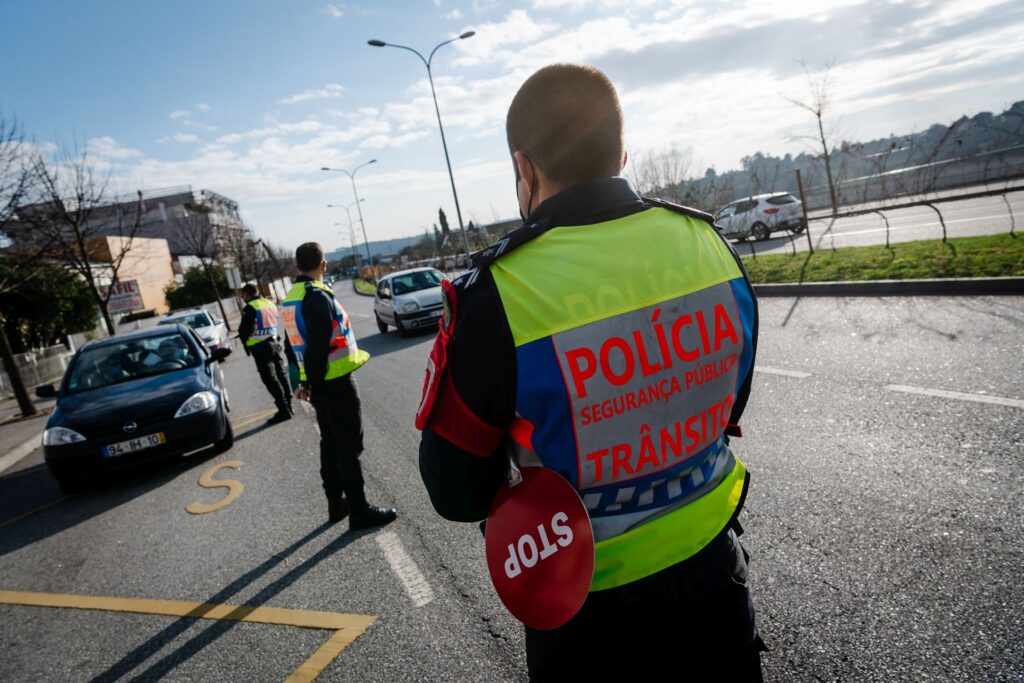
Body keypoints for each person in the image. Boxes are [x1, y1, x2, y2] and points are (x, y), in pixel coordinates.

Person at [416, 64, 763, 680]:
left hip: (586, 617)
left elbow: (455, 492)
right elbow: (729, 403)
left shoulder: (499, 294)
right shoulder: (709, 245)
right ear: (622, 151)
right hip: (716, 583)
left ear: (523, 168)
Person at [282, 243, 397, 529]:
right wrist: (312, 382)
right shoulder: (316, 296)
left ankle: (336, 504)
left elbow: (291, 345)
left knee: (330, 443)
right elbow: (318, 346)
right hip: (334, 382)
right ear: (323, 265)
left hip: (320, 384)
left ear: (298, 266)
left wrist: (302, 382)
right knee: (348, 447)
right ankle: (359, 510)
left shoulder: (291, 297)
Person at [238, 283, 293, 425]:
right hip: (275, 342)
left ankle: (283, 409)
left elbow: (243, 330)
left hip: (260, 347)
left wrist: (246, 342)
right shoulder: (269, 303)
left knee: (269, 378)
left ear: (248, 294)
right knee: (281, 374)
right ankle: (289, 403)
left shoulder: (250, 308)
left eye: (243, 295)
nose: (243, 298)